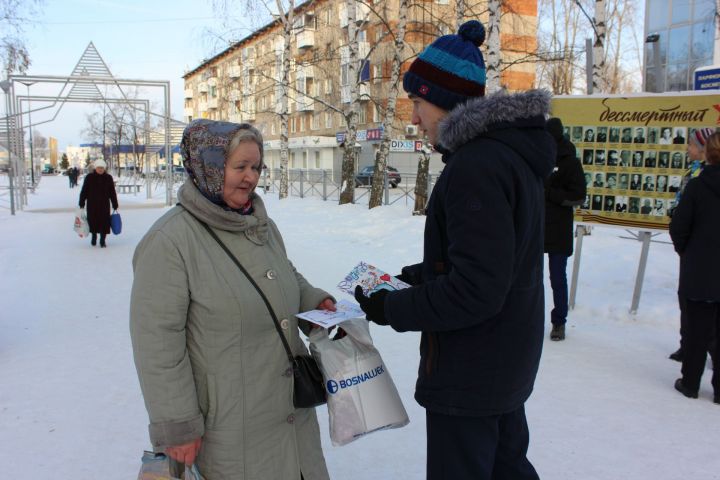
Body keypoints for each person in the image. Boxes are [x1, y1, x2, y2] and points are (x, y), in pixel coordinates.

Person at [353, 20, 552, 480]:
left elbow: (476, 290)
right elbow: (493, 261)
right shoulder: (506, 155)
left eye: (418, 103)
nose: (414, 117)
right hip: (503, 361)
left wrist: (392, 306)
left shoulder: (477, 166)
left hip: (471, 373)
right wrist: (415, 278)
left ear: (443, 101)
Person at [129, 120, 333, 480]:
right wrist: (176, 425)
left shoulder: (260, 226)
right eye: (239, 166)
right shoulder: (171, 240)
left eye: (256, 167)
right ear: (208, 166)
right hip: (229, 427)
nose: (250, 177)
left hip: (291, 417)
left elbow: (284, 275)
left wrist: (314, 301)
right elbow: (157, 343)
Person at [669, 131, 720, 404]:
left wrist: (688, 253)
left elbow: (679, 227)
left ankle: (690, 383)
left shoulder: (698, 187)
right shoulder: (696, 184)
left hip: (700, 270)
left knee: (697, 330)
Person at [543, 118, 586, 341]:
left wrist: (552, 194)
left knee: (557, 278)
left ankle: (559, 321)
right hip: (537, 226)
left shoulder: (570, 162)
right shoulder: (539, 157)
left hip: (558, 228)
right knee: (526, 276)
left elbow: (579, 196)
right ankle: (524, 316)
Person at [78, 159, 118, 248]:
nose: (100, 170)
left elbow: (112, 192)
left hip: (104, 205)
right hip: (92, 205)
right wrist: (81, 202)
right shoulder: (89, 177)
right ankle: (94, 236)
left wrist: (115, 204)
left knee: (104, 222)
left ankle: (103, 240)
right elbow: (84, 191)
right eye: (99, 168)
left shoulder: (108, 178)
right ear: (95, 168)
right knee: (93, 222)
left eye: (102, 168)